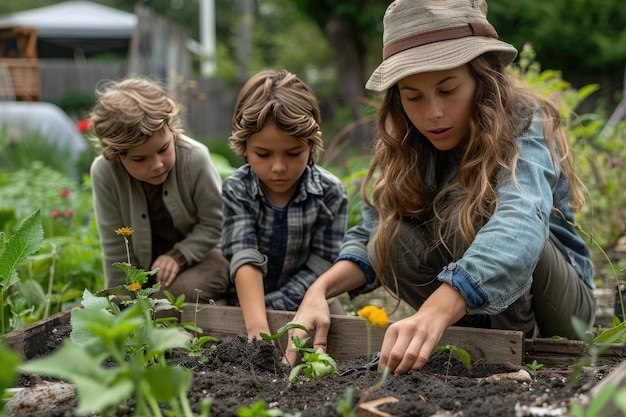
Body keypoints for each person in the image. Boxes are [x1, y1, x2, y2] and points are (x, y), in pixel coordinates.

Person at [286, 0, 596, 375]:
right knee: (388, 237)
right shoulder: (408, 141)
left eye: (448, 90)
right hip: (469, 306)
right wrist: (317, 292)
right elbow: (370, 232)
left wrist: (435, 309)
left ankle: (518, 352)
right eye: (413, 96)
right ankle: (472, 345)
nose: (432, 113)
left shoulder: (523, 120)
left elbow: (520, 223)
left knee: (468, 212)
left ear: (482, 80)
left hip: (559, 307)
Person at [221, 69, 349, 340]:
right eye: (263, 154)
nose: (278, 167)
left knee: (341, 332)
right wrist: (258, 331)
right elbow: (244, 255)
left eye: (293, 153)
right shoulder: (237, 188)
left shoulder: (330, 193)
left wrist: (281, 307)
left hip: (308, 293)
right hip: (245, 299)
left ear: (312, 144)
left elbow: (322, 264)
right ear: (244, 146)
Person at [90, 77, 230, 307]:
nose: (156, 165)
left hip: (208, 256)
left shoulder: (196, 159)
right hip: (151, 273)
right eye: (140, 159)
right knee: (119, 309)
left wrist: (179, 256)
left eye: (163, 149)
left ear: (172, 130)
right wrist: (119, 303)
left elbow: (216, 225)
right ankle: (218, 305)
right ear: (117, 154)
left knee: (160, 304)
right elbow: (116, 248)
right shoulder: (105, 172)